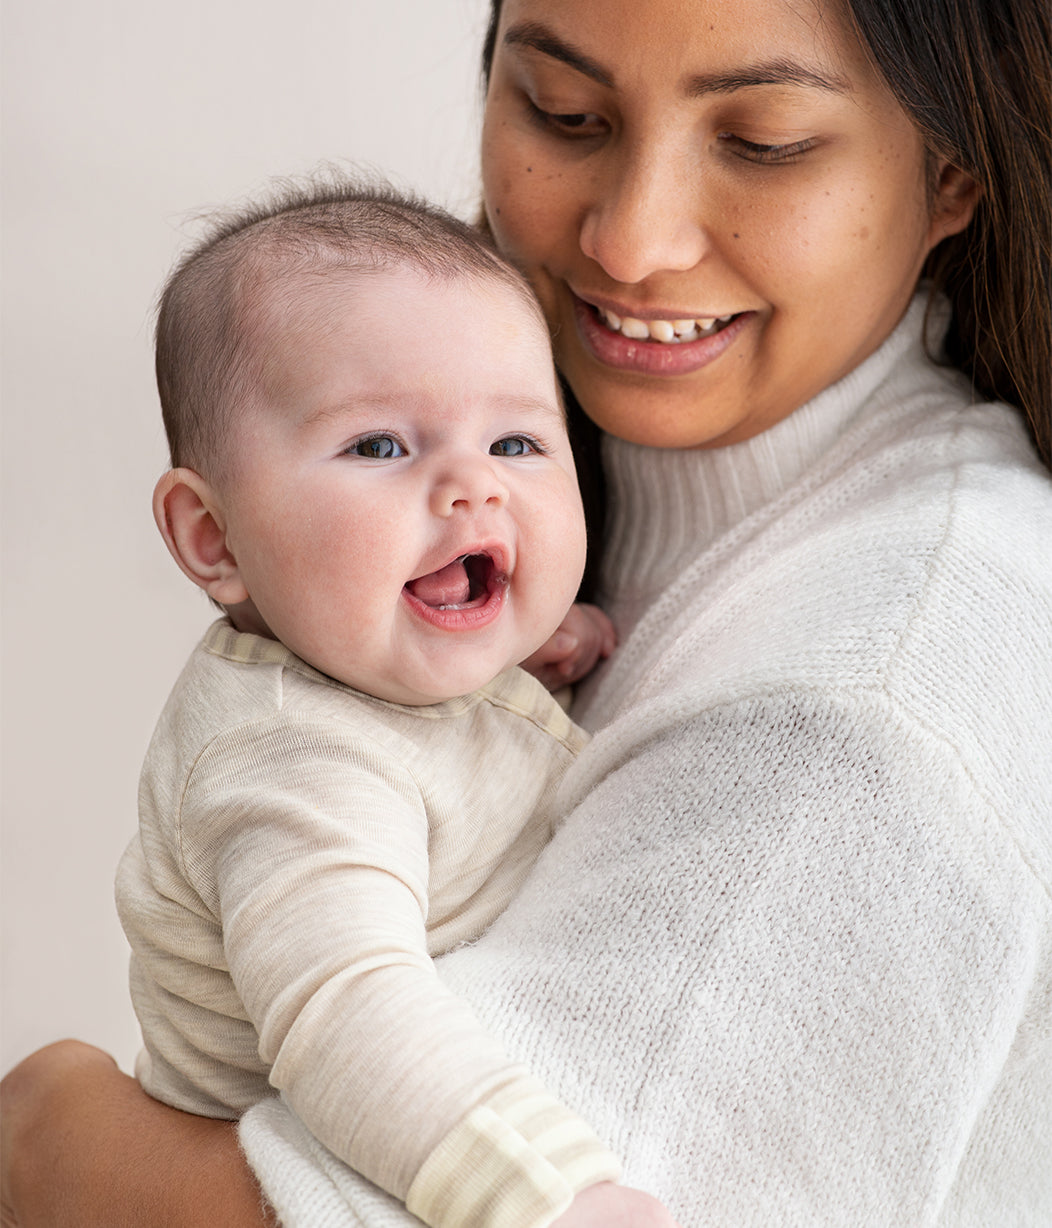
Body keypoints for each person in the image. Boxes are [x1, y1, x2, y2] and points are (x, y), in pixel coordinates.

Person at [2, 0, 1050, 1223]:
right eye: (565, 112)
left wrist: (49, 1137)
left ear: (952, 175)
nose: (631, 240)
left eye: (760, 139)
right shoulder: (529, 559)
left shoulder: (873, 697)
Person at [107, 179, 679, 1228]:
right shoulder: (291, 766)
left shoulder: (366, 663)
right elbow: (348, 1015)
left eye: (515, 443)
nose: (473, 487)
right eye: (379, 446)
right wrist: (551, 1198)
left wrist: (507, 656)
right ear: (213, 537)